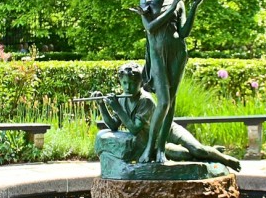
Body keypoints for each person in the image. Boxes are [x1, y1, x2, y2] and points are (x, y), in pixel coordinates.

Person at [130, 0, 209, 164]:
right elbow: (151, 27)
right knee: (163, 101)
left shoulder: (178, 2)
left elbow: (183, 32)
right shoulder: (145, 2)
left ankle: (160, 151)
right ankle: (150, 148)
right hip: (156, 55)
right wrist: (172, 5)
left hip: (177, 55)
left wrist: (194, 7)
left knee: (170, 104)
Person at [95, 62, 241, 171]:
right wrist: (101, 105)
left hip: (167, 130)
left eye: (133, 83)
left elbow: (134, 129)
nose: (128, 87)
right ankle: (210, 152)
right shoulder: (122, 99)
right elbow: (113, 125)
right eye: (125, 83)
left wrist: (118, 109)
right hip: (156, 144)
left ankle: (225, 159)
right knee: (187, 156)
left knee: (198, 150)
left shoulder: (145, 100)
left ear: (141, 83)